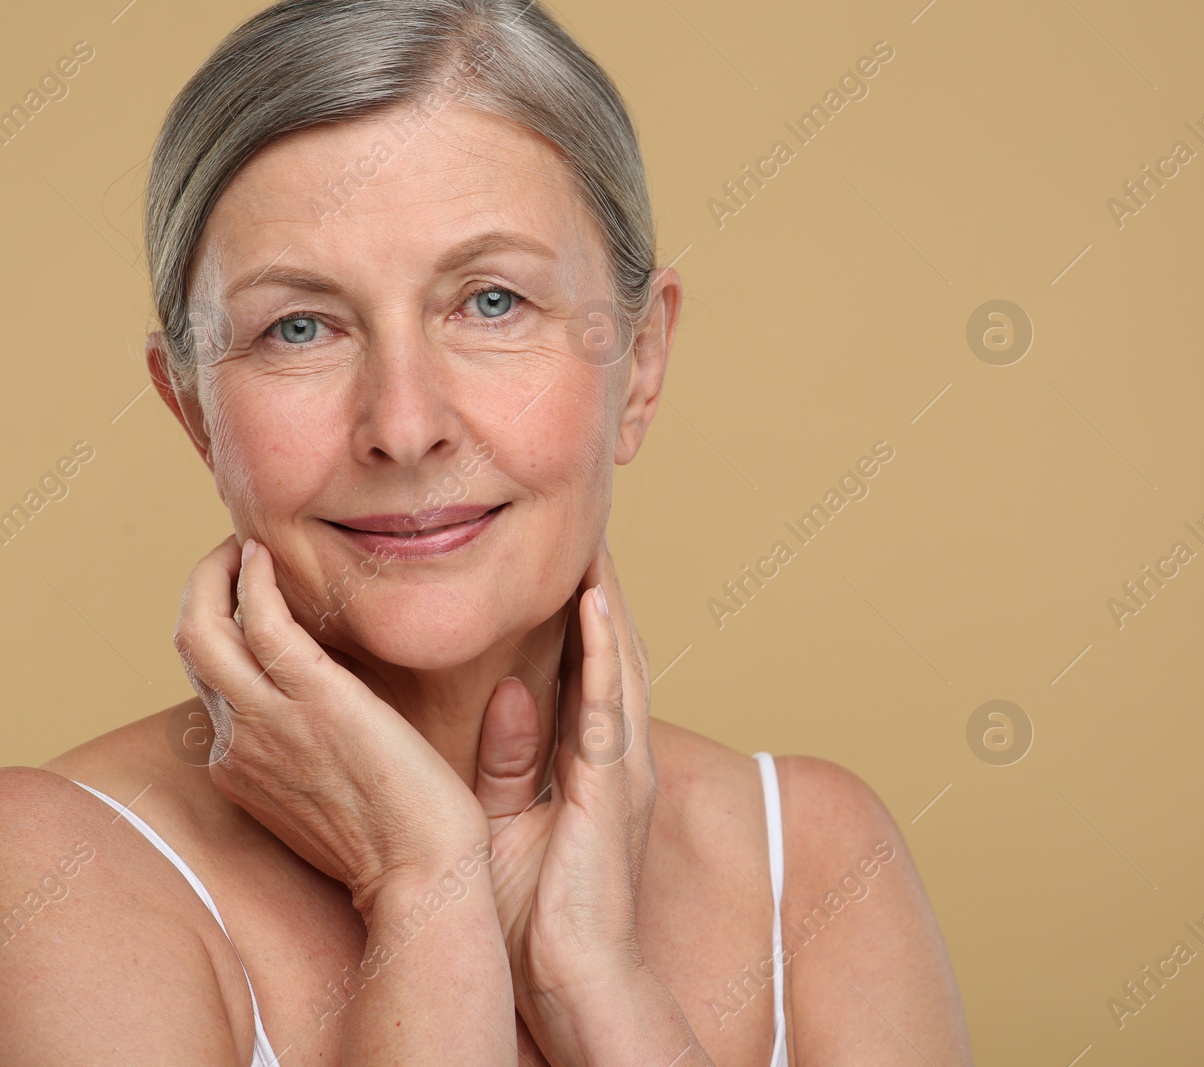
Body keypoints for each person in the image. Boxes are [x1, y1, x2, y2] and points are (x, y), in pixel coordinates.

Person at [0, 1, 972, 1063]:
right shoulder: (52, 871)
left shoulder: (820, 863)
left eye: (492, 302)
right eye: (300, 326)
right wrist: (425, 890)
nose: (405, 425)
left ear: (639, 364)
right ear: (191, 407)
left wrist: (594, 984)